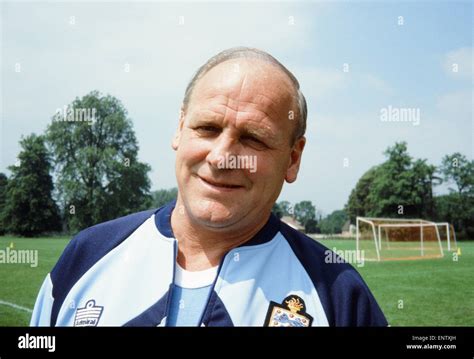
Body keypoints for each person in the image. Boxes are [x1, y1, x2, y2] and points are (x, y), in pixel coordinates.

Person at [31, 47, 387, 327]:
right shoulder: (87, 257)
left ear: (293, 159)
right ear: (179, 128)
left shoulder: (339, 296)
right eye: (207, 128)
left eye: (253, 139)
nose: (221, 158)